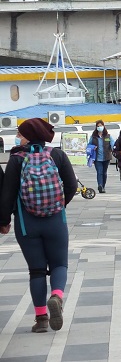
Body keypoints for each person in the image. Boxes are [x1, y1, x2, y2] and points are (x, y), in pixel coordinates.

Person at [0, 118, 77, 333]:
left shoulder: (16, 159)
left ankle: (42, 318)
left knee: (36, 271)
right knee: (59, 264)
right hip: (55, 221)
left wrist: (4, 221)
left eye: (20, 133)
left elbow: (7, 195)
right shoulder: (57, 155)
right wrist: (59, 205)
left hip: (27, 224)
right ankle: (57, 296)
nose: (18, 137)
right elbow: (71, 185)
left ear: (27, 135)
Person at [88, 119, 114, 193]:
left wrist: (114, 149)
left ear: (103, 126)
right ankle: (100, 185)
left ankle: (103, 186)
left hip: (106, 157)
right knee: (99, 172)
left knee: (104, 172)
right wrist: (92, 147)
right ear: (96, 127)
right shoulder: (93, 137)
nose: (100, 127)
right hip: (97, 158)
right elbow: (88, 145)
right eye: (98, 126)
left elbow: (113, 144)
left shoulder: (108, 136)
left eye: (101, 126)